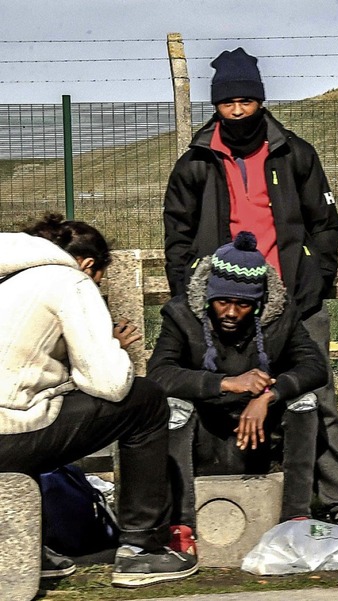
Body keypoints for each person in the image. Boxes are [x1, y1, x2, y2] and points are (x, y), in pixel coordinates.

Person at [162, 47, 338, 533]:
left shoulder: (295, 153)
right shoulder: (195, 162)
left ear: (260, 100)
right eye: (226, 102)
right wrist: (193, 293)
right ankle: (195, 506)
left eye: (245, 101)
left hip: (291, 299)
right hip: (223, 303)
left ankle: (337, 499)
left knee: (318, 397)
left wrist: (314, 279)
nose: (236, 111)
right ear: (215, 105)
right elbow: (176, 235)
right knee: (208, 396)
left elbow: (325, 224)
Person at [0, 213, 198, 587]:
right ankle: (143, 549)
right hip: (6, 435)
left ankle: (32, 549)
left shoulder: (8, 277)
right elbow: (109, 384)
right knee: (146, 400)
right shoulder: (69, 281)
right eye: (100, 282)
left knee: (35, 409)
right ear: (89, 265)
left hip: (8, 428)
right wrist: (110, 347)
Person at [147, 231, 326, 533]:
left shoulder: (282, 314)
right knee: (173, 406)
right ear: (208, 296)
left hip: (259, 435)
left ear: (257, 303)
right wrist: (227, 383)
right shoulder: (181, 314)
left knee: (304, 402)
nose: (230, 312)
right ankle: (181, 526)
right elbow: (159, 374)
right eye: (222, 302)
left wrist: (268, 395)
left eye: (242, 305)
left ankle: (296, 518)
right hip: (204, 432)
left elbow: (315, 366)